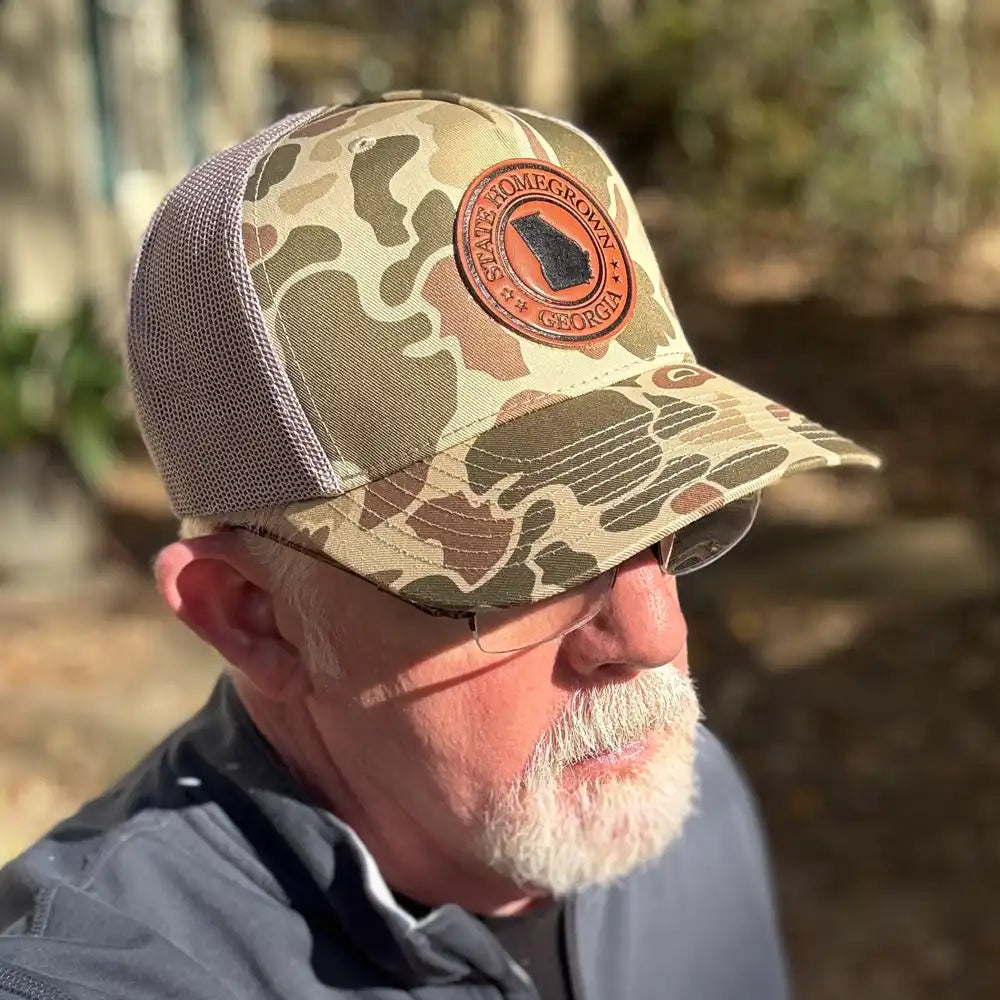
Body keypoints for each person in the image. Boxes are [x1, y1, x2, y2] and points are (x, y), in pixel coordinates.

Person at [0, 91, 879, 1000]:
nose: (654, 635)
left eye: (671, 517)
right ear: (253, 617)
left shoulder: (687, 806)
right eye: (532, 559)